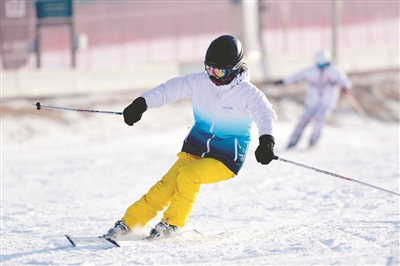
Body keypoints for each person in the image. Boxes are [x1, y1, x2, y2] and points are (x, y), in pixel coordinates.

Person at [103, 35, 277, 240]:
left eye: (219, 71)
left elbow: (266, 115)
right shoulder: (199, 81)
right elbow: (168, 90)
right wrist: (141, 104)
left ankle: (172, 223)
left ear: (235, 68)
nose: (213, 76)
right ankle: (129, 222)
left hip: (226, 158)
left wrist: (266, 142)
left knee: (189, 175)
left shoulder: (248, 94)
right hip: (195, 148)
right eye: (209, 69)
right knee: (165, 185)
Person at [274, 50, 351, 149]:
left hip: (326, 102)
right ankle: (293, 142)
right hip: (311, 102)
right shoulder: (311, 70)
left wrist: (344, 87)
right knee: (303, 121)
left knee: (319, 120)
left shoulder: (335, 71)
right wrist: (283, 81)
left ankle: (313, 142)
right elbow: (297, 75)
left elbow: (345, 81)